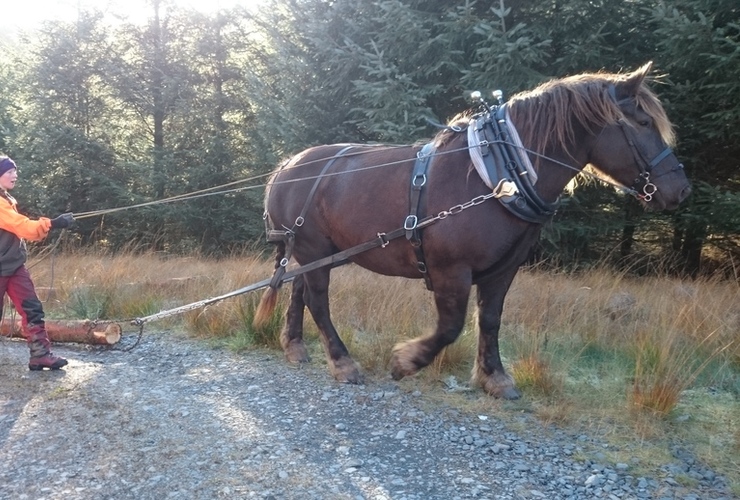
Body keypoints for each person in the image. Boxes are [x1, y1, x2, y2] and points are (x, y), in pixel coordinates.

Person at [0, 156, 74, 370]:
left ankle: (40, 355)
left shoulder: (6, 199)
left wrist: (52, 224)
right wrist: (53, 223)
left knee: (32, 309)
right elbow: (23, 226)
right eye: (9, 172)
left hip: (13, 266)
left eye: (15, 171)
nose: (15, 175)